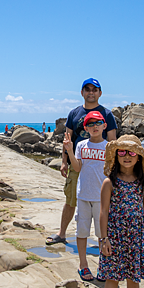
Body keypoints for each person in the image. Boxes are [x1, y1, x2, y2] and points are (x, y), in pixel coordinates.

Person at [46, 78, 117, 247]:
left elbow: (113, 142)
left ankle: (107, 239)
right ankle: (61, 233)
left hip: (101, 167)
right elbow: (68, 139)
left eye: (94, 89)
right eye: (87, 89)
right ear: (82, 93)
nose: (91, 92)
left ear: (100, 93)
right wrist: (64, 161)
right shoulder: (74, 113)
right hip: (77, 162)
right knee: (71, 199)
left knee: (105, 203)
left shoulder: (107, 114)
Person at [97, 134, 144, 288]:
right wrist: (104, 239)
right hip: (114, 236)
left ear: (138, 158)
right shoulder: (109, 182)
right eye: (122, 152)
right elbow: (103, 211)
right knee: (112, 277)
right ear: (116, 156)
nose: (127, 156)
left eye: (132, 153)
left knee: (133, 278)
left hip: (136, 236)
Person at [63, 111, 108, 282]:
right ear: (85, 128)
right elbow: (78, 167)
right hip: (83, 196)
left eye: (98, 123)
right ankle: (83, 265)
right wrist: (69, 151)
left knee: (102, 234)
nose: (94, 126)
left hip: (102, 199)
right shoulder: (81, 145)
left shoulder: (109, 147)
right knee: (82, 232)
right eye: (90, 124)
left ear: (104, 125)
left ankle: (104, 266)